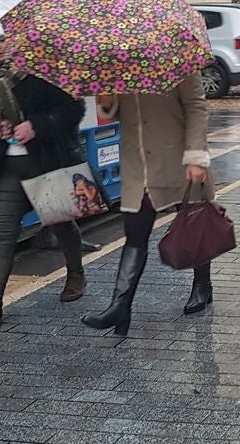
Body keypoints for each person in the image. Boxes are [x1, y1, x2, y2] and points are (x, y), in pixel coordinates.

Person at [0, 36, 87, 329]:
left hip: (46, 164)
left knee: (60, 222)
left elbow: (72, 110)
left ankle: (76, 272)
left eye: (2, 40)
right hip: (8, 167)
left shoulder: (42, 69)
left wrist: (36, 125)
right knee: (3, 233)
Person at [82, 74, 213, 336]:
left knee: (193, 225)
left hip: (176, 160)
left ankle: (202, 285)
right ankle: (120, 306)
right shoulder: (121, 67)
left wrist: (196, 156)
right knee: (135, 234)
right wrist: (107, 99)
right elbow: (114, 114)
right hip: (138, 167)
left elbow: (196, 107)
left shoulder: (177, 60)